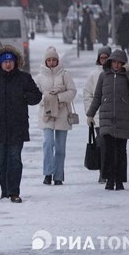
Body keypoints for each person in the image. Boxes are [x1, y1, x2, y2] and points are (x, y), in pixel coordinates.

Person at [0, 45, 43, 203]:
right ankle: (4, 190)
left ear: (16, 62)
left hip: (17, 126)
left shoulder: (24, 78)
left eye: (11, 61)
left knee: (15, 159)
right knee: (1, 160)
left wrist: (25, 96)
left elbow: (36, 96)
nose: (8, 64)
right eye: (5, 61)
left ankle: (14, 192)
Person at [86, 49, 129, 191]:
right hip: (107, 118)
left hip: (124, 119)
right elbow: (97, 96)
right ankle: (109, 179)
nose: (116, 65)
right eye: (114, 62)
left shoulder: (127, 75)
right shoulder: (104, 76)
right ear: (110, 62)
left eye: (119, 62)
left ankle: (120, 180)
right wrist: (90, 114)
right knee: (108, 150)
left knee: (121, 150)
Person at [34, 47, 76, 186]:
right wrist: (47, 99)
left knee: (60, 147)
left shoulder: (65, 74)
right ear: (45, 61)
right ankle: (47, 173)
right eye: (49, 60)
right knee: (48, 144)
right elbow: (35, 95)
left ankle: (58, 175)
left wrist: (59, 98)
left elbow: (72, 91)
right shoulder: (39, 77)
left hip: (62, 114)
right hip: (46, 115)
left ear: (57, 60)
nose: (52, 62)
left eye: (54, 60)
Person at [82, 46, 112, 184]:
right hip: (99, 116)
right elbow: (88, 94)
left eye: (106, 57)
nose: (104, 60)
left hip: (114, 116)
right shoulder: (94, 75)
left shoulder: (116, 73)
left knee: (114, 145)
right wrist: (90, 113)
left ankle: (114, 171)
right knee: (102, 144)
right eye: (102, 58)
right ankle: (103, 172)